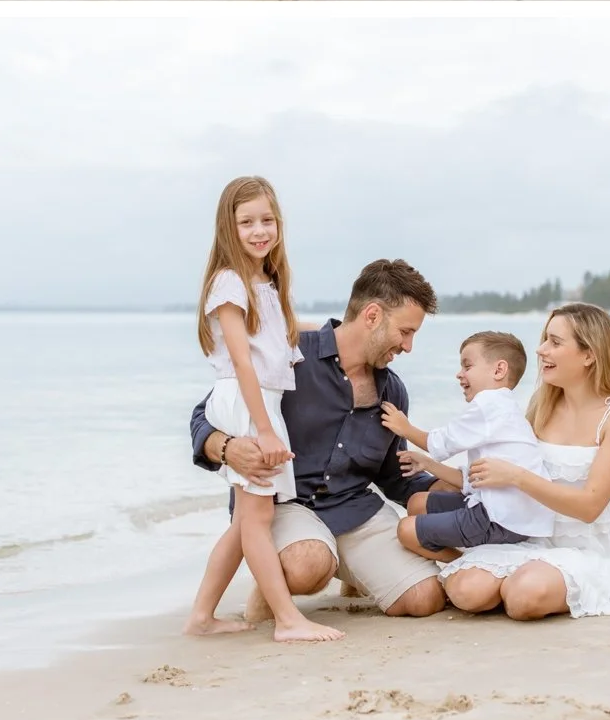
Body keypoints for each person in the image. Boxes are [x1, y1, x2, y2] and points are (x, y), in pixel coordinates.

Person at [191, 258, 445, 623]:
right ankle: (277, 578)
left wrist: (449, 484)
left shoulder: (392, 390)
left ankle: (351, 571)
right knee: (308, 565)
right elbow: (204, 416)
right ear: (372, 315)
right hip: (283, 505)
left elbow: (394, 477)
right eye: (405, 332)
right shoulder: (290, 355)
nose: (408, 346)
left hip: (353, 509)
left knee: (425, 598)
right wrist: (229, 449)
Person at [184, 177, 335, 646]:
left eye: (266, 220)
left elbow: (278, 334)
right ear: (229, 228)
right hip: (246, 403)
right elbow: (243, 361)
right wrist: (266, 430)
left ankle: (202, 617)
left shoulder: (263, 282)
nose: (259, 230)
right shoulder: (229, 283)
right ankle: (288, 620)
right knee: (257, 520)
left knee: (245, 521)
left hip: (259, 402)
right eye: (246, 222)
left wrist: (333, 327)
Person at [435, 304, 610, 623]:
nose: (540, 349)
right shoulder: (542, 408)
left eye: (555, 342)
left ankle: (523, 583)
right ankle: (502, 578)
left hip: (591, 551)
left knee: (524, 598)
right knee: (467, 591)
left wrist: (517, 477)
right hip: (530, 539)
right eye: (545, 339)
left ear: (589, 354)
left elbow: (590, 507)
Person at [392, 329, 542, 564]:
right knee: (416, 502)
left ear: (499, 370)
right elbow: (472, 479)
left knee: (406, 530)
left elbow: (439, 442)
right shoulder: (504, 407)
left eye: (467, 366)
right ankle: (470, 560)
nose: (459, 374)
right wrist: (429, 464)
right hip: (505, 511)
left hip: (499, 519)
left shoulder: (488, 405)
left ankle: (466, 565)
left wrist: (404, 427)